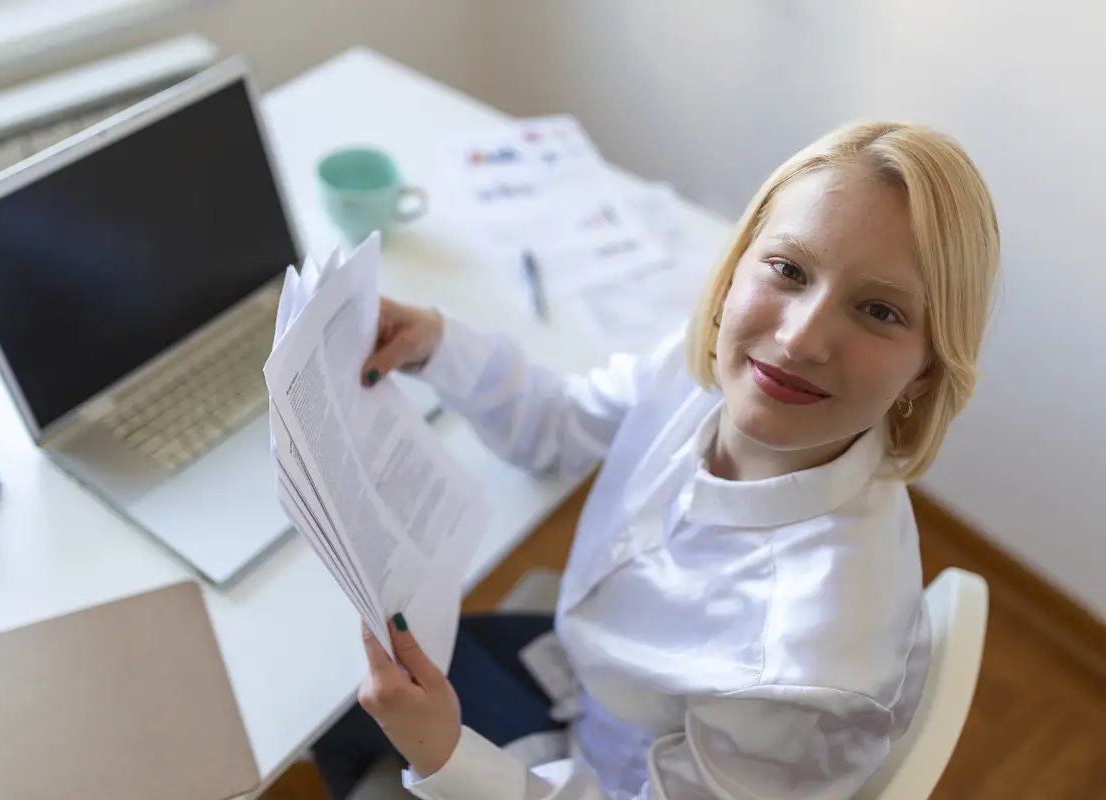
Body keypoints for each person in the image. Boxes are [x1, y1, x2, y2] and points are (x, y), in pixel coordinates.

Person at [312, 120, 1000, 798]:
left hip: (606, 780)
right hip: (588, 682)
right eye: (789, 270)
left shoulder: (809, 663)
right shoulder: (706, 370)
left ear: (925, 373)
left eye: (879, 311)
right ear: (734, 272)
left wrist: (446, 758)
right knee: (336, 699)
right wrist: (437, 344)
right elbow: (562, 425)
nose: (798, 339)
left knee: (339, 713)